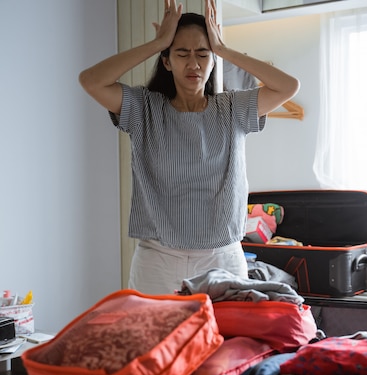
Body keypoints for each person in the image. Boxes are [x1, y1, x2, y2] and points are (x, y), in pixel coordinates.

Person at [79, 0, 300, 294]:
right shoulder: (145, 108)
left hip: (222, 256)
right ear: (167, 61)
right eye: (182, 53)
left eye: (202, 54)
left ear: (213, 61)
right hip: (157, 258)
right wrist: (157, 43)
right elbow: (91, 81)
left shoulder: (232, 108)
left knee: (222, 341)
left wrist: (223, 48)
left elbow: (288, 86)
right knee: (155, 340)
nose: (193, 63)